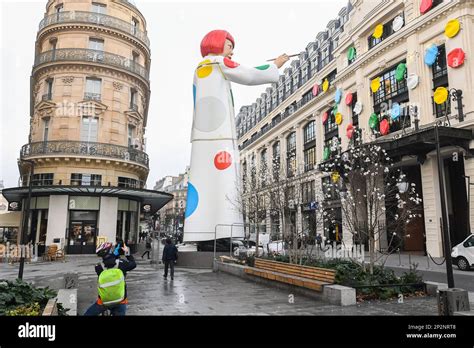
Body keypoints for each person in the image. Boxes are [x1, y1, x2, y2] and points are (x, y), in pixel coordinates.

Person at [182, 30, 289, 243]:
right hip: (220, 134)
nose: (232, 52)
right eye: (229, 46)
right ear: (218, 45)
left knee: (202, 183)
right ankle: (227, 233)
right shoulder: (217, 63)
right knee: (225, 180)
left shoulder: (200, 68)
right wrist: (275, 65)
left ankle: (198, 233)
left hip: (203, 134)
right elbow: (248, 74)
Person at [84, 241, 136, 316]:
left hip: (104, 301)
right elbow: (133, 264)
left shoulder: (98, 267)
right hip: (120, 300)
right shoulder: (121, 263)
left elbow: (109, 264)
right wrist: (127, 253)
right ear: (110, 251)